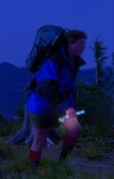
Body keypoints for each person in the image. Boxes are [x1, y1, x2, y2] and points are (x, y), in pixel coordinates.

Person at [26, 30, 87, 171]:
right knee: (39, 140)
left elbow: (69, 88)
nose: (84, 47)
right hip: (41, 106)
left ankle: (61, 165)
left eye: (84, 43)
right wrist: (67, 107)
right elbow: (47, 87)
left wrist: (71, 107)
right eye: (81, 43)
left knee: (75, 130)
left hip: (60, 107)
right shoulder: (53, 61)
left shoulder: (74, 63)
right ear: (69, 44)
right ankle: (33, 170)